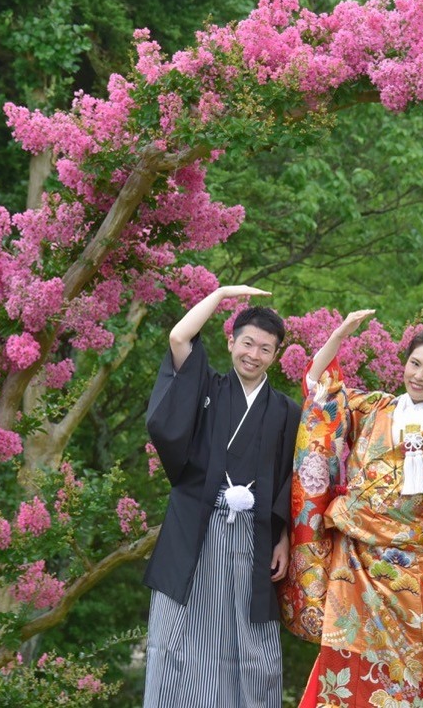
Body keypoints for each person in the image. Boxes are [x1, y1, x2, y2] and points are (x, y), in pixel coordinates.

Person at [279, 310, 423, 708]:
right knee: (343, 659)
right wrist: (339, 336)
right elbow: (319, 389)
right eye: (414, 364)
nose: (419, 376)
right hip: (354, 562)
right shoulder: (377, 407)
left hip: (414, 569)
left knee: (418, 665)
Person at [142, 285, 302, 708]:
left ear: (276, 355)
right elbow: (179, 338)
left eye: (265, 348)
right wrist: (221, 294)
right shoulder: (206, 387)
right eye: (246, 342)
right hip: (196, 527)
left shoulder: (287, 411)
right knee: (180, 634)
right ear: (230, 341)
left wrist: (284, 536)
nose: (254, 354)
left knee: (251, 648)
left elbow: (292, 478)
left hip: (254, 540)